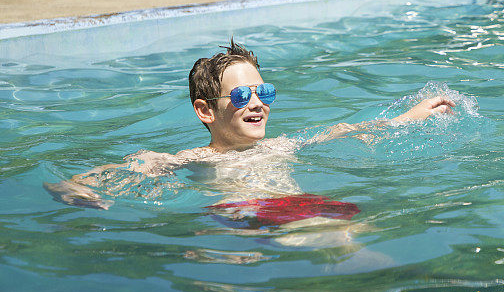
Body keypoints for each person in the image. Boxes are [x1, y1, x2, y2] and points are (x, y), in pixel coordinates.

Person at [45, 39, 455, 223]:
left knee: (364, 225)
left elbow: (344, 130)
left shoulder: (282, 145)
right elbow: (131, 167)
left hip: (294, 210)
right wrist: (75, 187)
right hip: (246, 217)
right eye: (241, 95)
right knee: (351, 247)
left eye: (265, 92)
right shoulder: (198, 159)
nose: (257, 103)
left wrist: (407, 118)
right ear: (205, 111)